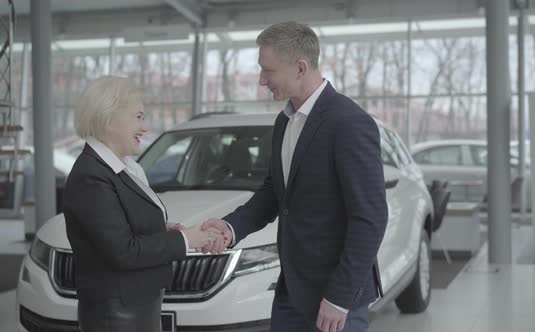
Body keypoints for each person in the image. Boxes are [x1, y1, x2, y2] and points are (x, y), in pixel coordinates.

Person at [201, 22, 388, 332]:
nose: (261, 80)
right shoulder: (285, 121)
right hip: (292, 291)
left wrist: (339, 297)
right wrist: (231, 228)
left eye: (268, 70)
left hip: (334, 298)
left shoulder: (349, 123)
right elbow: (275, 192)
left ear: (300, 68)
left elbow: (370, 218)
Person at [63, 76, 222, 332]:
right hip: (116, 314)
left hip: (136, 305)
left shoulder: (122, 168)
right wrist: (186, 240)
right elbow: (122, 251)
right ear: (109, 117)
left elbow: (123, 225)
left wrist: (163, 228)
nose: (145, 127)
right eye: (138, 116)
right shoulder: (91, 176)